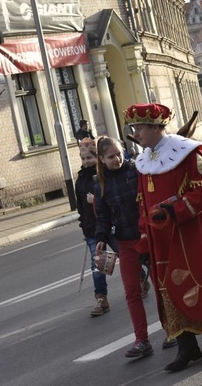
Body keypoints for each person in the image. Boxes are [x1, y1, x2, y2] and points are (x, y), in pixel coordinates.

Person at [126, 103, 202, 371]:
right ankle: (187, 347)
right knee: (169, 289)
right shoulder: (144, 161)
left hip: (193, 235)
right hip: (162, 238)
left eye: (139, 128)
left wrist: (175, 210)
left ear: (155, 128)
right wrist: (145, 236)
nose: (135, 133)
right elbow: (142, 203)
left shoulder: (188, 152)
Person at [94, 136, 154, 358]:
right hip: (125, 243)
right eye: (111, 157)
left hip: (148, 236)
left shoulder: (136, 170)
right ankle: (142, 340)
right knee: (132, 292)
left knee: (162, 286)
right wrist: (100, 236)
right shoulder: (99, 182)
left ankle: (173, 332)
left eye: (119, 154)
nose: (117, 159)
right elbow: (103, 217)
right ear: (102, 159)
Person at [75, 138, 109, 316]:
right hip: (92, 228)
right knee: (98, 264)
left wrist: (95, 200)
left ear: (98, 158)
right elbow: (79, 205)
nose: (86, 161)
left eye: (89, 157)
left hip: (110, 224)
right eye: (83, 158)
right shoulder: (80, 180)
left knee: (128, 256)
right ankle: (101, 298)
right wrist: (84, 226)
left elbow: (111, 197)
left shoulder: (105, 174)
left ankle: (140, 278)